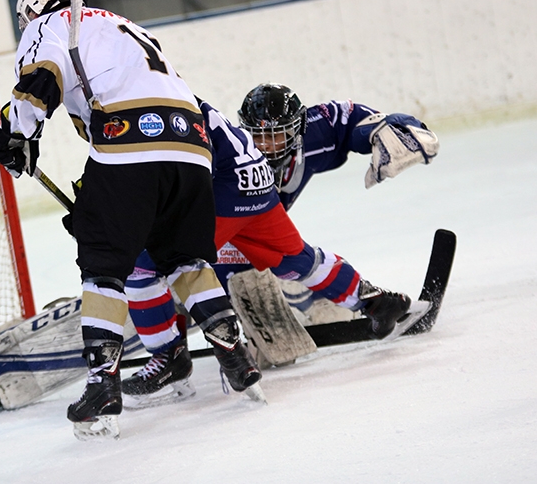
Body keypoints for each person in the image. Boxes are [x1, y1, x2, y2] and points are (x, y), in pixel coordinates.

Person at [0, 0, 261, 439]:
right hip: (192, 146)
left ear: (33, 3)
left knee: (103, 263)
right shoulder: (121, 22)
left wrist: (16, 135)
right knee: (183, 257)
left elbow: (42, 78)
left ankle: (102, 382)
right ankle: (235, 355)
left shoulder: (48, 26)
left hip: (131, 141)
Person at [121, 83, 438, 407]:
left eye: (278, 135)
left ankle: (180, 352)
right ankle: (196, 337)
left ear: (298, 130)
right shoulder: (220, 149)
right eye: (258, 136)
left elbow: (362, 119)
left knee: (287, 260)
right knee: (199, 266)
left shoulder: (316, 129)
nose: (268, 145)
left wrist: (404, 127)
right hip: (222, 226)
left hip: (253, 227)